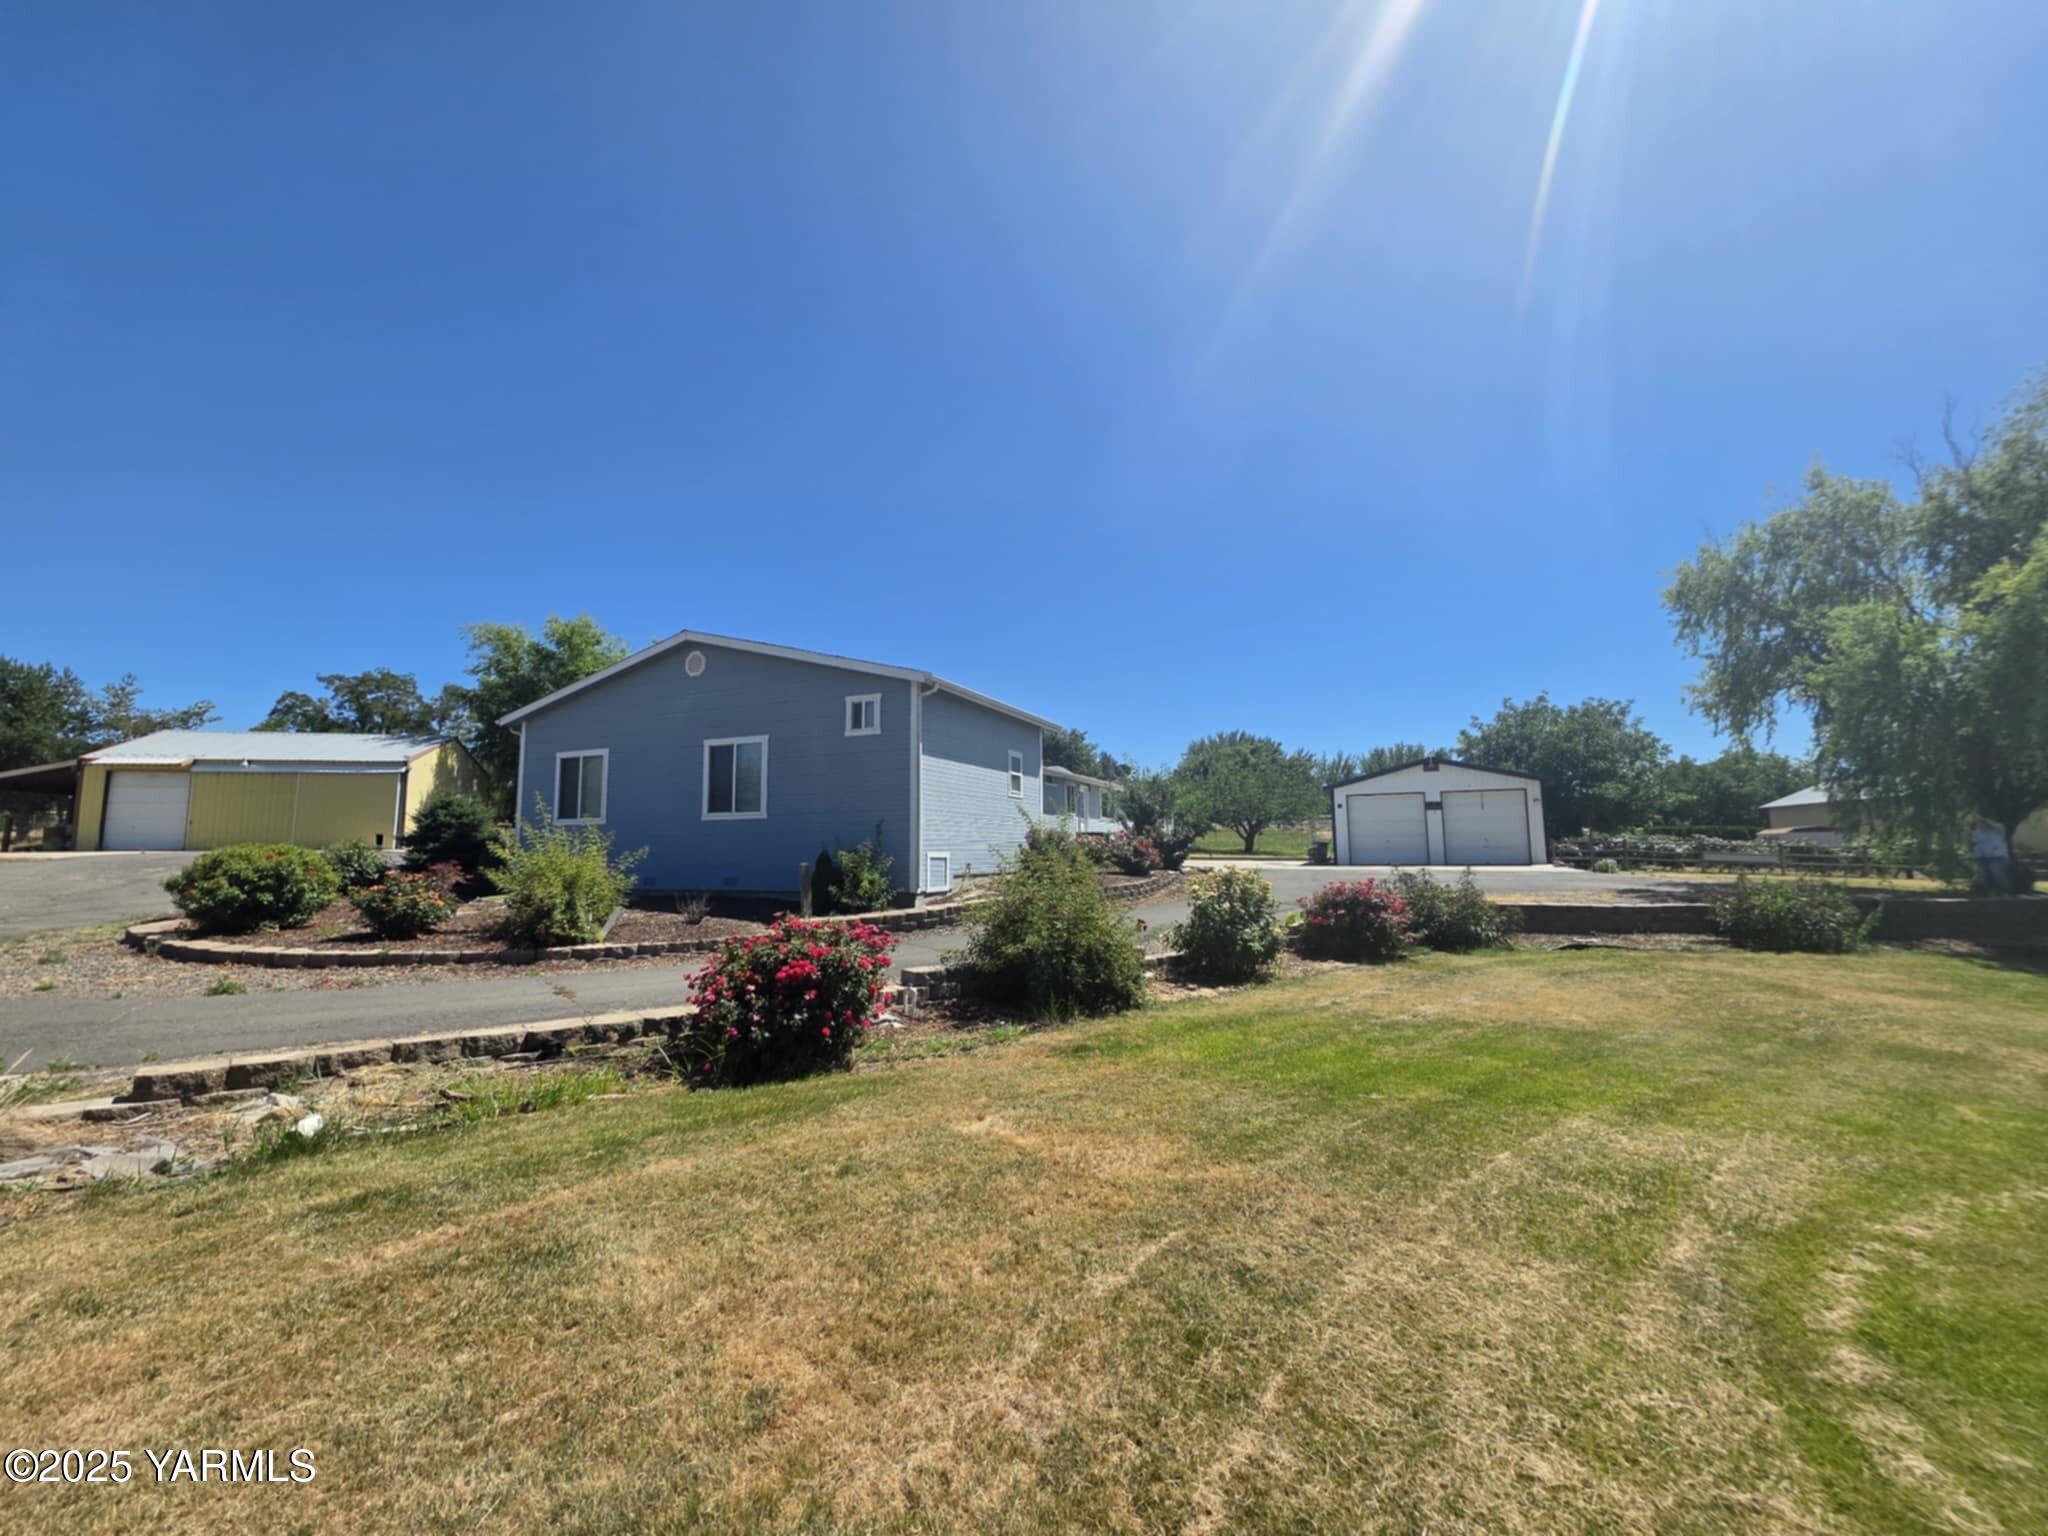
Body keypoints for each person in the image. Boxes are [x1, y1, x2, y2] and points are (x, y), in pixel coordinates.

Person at [1970, 817, 2012, 894]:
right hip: (1983, 858)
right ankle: (1989, 894)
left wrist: (1985, 821)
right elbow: (1976, 846)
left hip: (1998, 857)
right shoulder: (1977, 833)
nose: (1980, 827)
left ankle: (2004, 891)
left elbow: (2000, 827)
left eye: (1982, 825)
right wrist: (1976, 858)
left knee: (1997, 874)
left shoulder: (1998, 830)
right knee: (1983, 877)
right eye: (1978, 825)